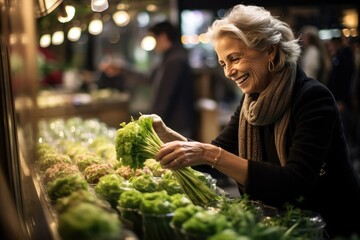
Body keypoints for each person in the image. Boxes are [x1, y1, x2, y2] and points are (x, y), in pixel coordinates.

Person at [141, 4, 360, 238]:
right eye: (223, 63)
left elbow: (294, 183)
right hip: (283, 226)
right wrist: (163, 132)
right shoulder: (251, 102)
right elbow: (210, 157)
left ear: (270, 51)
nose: (228, 72)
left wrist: (207, 153)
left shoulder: (313, 98)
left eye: (234, 59)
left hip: (329, 228)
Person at [146, 20, 196, 139]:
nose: (154, 45)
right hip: (175, 124)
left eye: (154, 39)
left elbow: (165, 96)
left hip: (176, 125)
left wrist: (151, 124)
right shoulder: (169, 57)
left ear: (163, 37)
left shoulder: (175, 59)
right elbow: (148, 78)